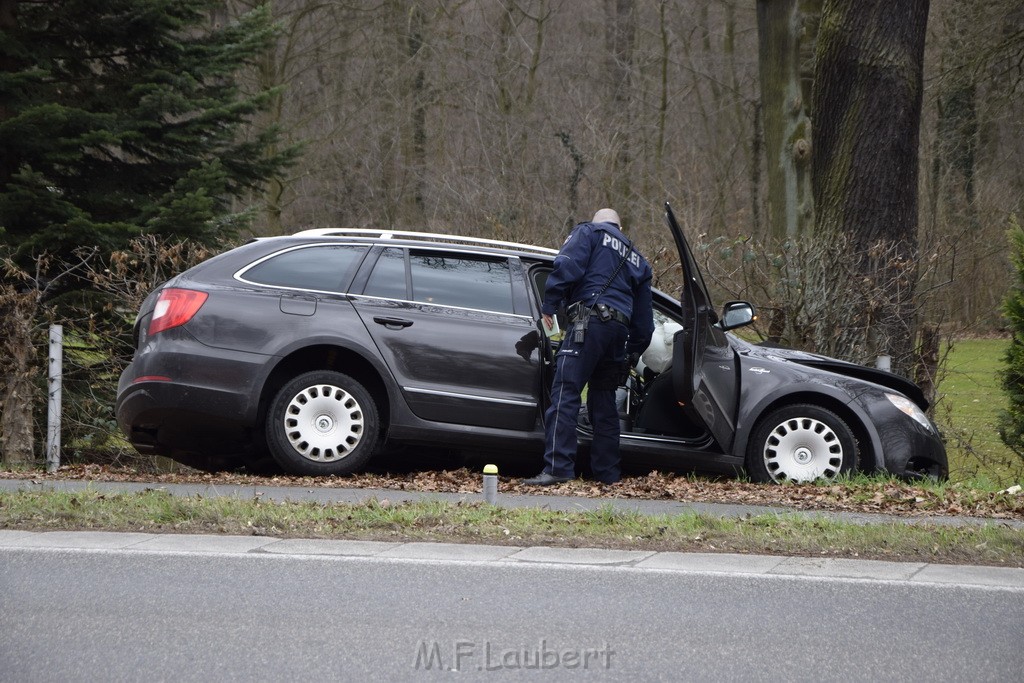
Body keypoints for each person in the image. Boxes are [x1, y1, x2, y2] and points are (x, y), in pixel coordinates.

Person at [524, 208, 654, 485]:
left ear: (600, 222)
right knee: (604, 403)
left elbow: (567, 265)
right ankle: (607, 474)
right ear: (619, 226)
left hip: (589, 323)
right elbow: (645, 323)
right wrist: (632, 352)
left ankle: (558, 469)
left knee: (566, 392)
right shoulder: (639, 261)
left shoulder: (590, 232)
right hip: (619, 331)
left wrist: (550, 304)